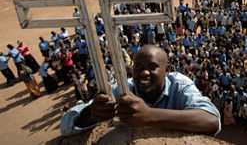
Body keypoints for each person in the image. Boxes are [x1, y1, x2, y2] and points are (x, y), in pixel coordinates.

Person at [60, 45, 220, 136]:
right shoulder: (123, 89)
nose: (144, 73)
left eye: (152, 67)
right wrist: (91, 114)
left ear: (167, 70)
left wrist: (150, 115)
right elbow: (65, 126)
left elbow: (211, 120)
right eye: (138, 67)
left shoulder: (179, 84)